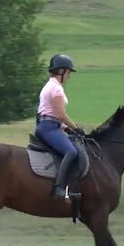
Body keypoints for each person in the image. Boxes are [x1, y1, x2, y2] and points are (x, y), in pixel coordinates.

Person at [35, 54, 85, 199]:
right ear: (62, 71)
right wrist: (75, 128)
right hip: (49, 128)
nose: (69, 76)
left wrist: (66, 128)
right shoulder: (56, 89)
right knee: (71, 152)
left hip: (49, 125)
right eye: (68, 72)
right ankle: (60, 188)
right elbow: (61, 114)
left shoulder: (48, 86)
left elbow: (52, 114)